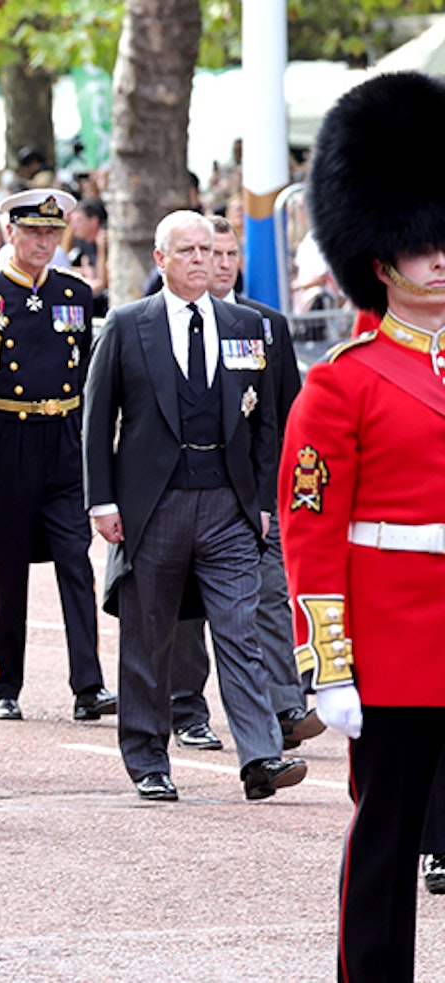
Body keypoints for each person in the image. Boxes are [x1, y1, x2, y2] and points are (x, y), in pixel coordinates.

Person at [279, 71, 445, 980]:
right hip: (393, 646)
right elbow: (310, 529)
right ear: (380, 258)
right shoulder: (341, 382)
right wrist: (328, 658)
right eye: (422, 247)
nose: (440, 260)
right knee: (386, 837)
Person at [82, 209, 302, 802]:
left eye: (209, 249)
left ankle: (260, 756)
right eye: (188, 251)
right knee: (148, 636)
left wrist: (261, 501)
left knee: (240, 630)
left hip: (229, 507)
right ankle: (149, 759)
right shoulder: (128, 326)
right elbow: (97, 421)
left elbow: (266, 427)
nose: (203, 260)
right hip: (153, 507)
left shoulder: (242, 325)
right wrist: (102, 503)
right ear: (161, 259)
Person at [0, 189, 113, 723]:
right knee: (7, 569)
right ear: (9, 232)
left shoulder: (76, 293)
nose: (43, 243)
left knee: (75, 564)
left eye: (51, 234)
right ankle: (3, 683)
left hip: (62, 439)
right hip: (6, 439)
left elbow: (87, 379)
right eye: (33, 232)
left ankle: (89, 685)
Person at [168, 215, 320, 753]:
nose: (222, 264)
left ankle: (284, 707)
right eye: (213, 254)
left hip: (256, 493)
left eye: (231, 255)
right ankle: (187, 708)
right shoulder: (157, 324)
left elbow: (285, 412)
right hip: (188, 490)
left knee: (269, 598)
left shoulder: (263, 324)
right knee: (189, 610)